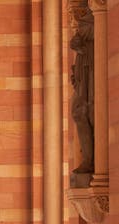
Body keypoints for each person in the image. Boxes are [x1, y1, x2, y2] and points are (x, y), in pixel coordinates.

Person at [70, 12, 94, 174]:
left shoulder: (91, 46)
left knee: (90, 114)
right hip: (83, 80)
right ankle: (87, 159)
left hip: (91, 79)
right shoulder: (83, 50)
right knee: (79, 114)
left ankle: (90, 161)